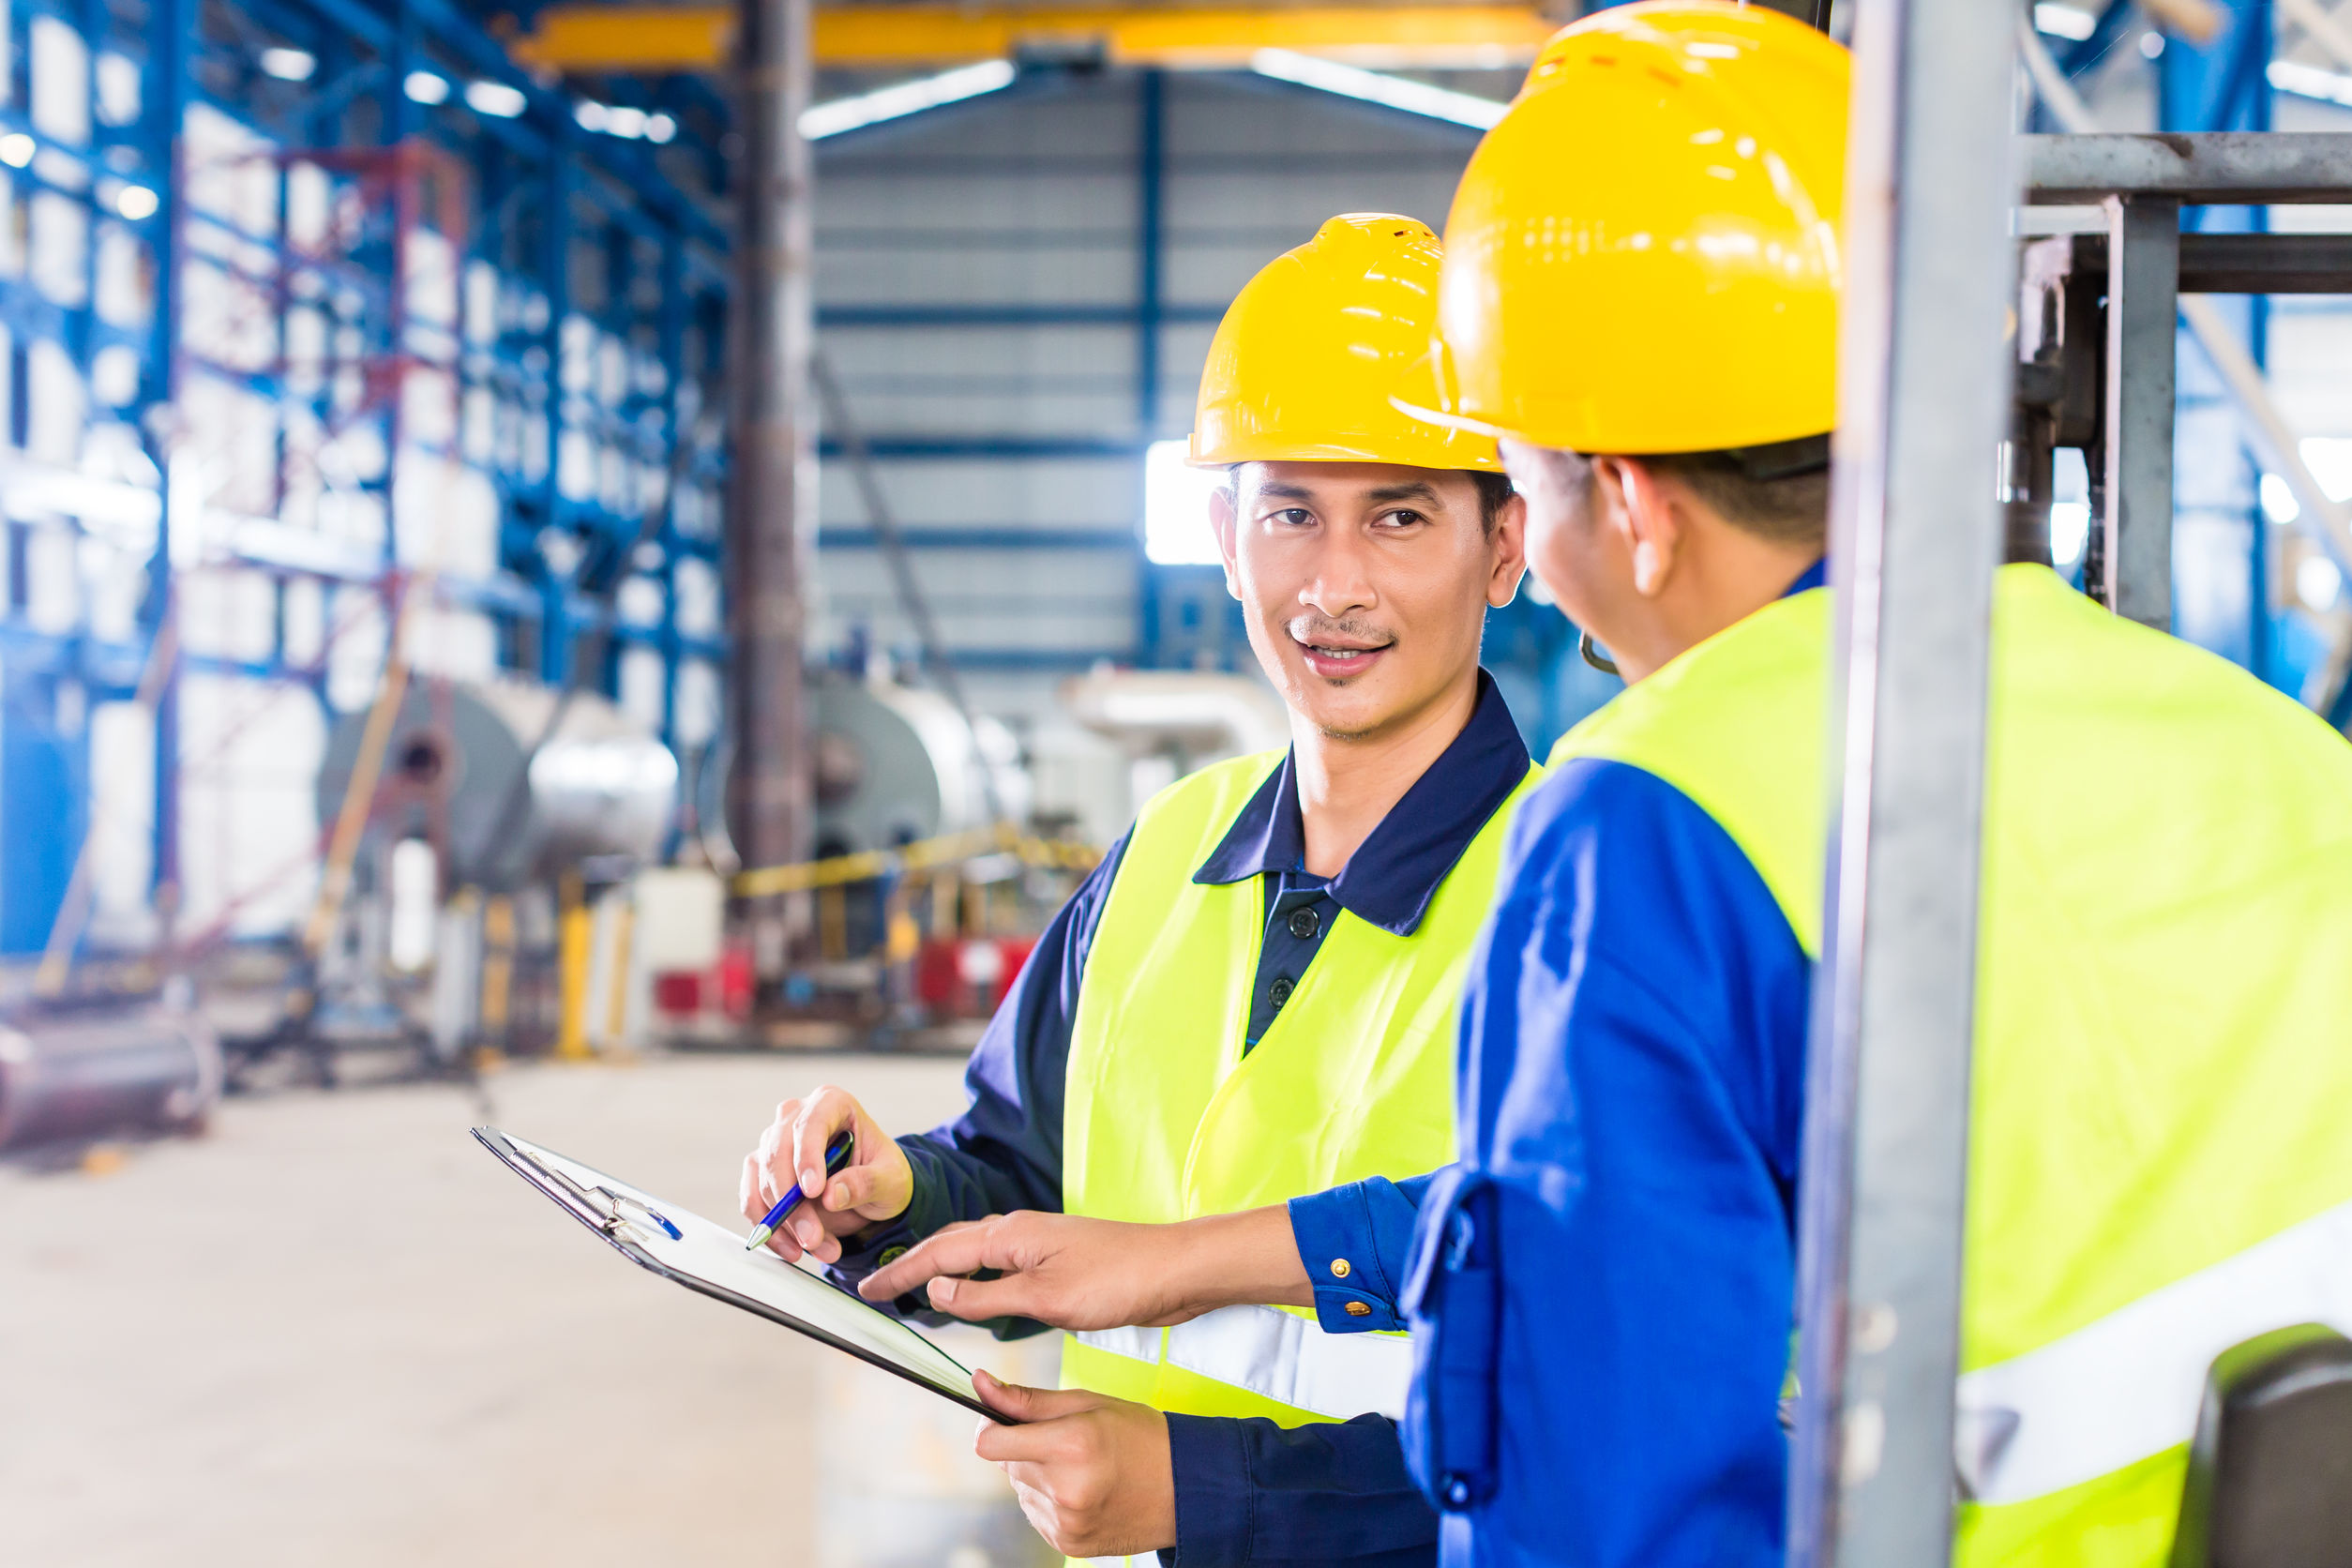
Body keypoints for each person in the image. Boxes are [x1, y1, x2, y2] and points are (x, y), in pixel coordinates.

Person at [867, 6, 2352, 1566]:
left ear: (1626, 505)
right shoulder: (2257, 742)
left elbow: (1604, 1494)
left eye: (1530, 478)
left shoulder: (1663, 808)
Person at [739, 213, 1545, 1566]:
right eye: (1292, 512)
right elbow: (1021, 1180)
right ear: (1228, 536)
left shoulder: (1569, 891)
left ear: (1506, 547)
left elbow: (1598, 1369)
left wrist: (1226, 1498)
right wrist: (896, 1199)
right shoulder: (1165, 853)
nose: (1333, 585)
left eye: (1398, 517)